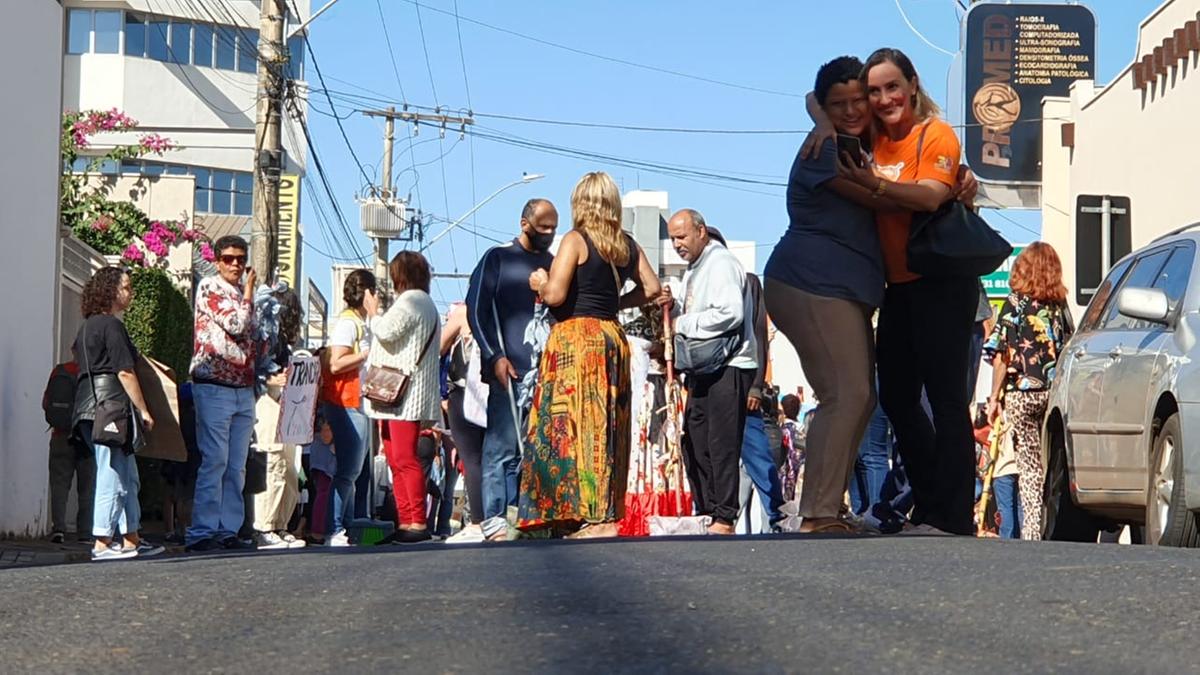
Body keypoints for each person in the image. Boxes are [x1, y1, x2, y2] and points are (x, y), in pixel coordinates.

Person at [812, 48, 978, 535]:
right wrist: (823, 122)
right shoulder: (873, 139)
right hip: (898, 288)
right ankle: (928, 504)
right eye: (874, 91)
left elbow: (929, 195)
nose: (884, 99)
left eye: (892, 87)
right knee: (899, 400)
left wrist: (874, 186)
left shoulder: (936, 134)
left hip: (942, 284)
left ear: (911, 84)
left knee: (947, 401)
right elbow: (815, 94)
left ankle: (954, 516)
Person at [522, 171, 661, 537]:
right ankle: (602, 510)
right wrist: (618, 302)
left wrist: (539, 283)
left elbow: (554, 295)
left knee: (570, 425)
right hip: (611, 336)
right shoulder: (626, 245)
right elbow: (652, 288)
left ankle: (578, 512)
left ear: (580, 203)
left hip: (576, 339)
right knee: (606, 424)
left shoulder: (575, 240)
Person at [466, 198, 558, 536]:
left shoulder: (554, 264)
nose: (548, 234)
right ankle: (493, 517)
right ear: (524, 224)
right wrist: (494, 356)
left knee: (533, 452)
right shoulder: (498, 258)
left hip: (545, 375)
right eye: (543, 227)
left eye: (553, 228)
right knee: (501, 447)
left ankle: (524, 514)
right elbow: (476, 311)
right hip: (509, 370)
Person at [662, 208, 757, 536]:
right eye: (673, 238)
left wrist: (682, 323)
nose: (677, 244)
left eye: (682, 236)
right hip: (703, 368)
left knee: (721, 442)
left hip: (728, 365)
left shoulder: (720, 262)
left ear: (701, 231)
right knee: (695, 440)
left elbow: (730, 313)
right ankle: (708, 509)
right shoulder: (694, 269)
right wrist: (672, 308)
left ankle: (724, 516)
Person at [71, 267, 163, 561]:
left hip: (88, 406)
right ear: (110, 290)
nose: (130, 293)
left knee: (127, 473)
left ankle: (131, 537)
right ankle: (102, 540)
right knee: (112, 473)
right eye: (125, 287)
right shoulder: (112, 326)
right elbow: (124, 371)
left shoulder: (86, 327)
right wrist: (143, 409)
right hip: (110, 406)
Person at [985, 242, 1073, 541]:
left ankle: (1033, 532)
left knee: (1029, 464)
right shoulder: (1059, 306)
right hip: (1053, 392)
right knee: (1052, 464)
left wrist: (994, 397)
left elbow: (1001, 356)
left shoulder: (1014, 303)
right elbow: (1069, 344)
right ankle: (1051, 524)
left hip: (1022, 392)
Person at [186, 235, 261, 552]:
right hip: (214, 384)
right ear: (217, 260)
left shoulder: (243, 294)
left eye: (240, 259)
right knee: (215, 460)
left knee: (236, 465)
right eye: (229, 258)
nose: (235, 264)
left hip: (243, 387)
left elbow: (256, 335)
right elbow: (236, 323)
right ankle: (203, 530)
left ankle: (228, 528)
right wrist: (248, 293)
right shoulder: (210, 287)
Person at [365, 252, 443, 544]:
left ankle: (416, 521)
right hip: (400, 394)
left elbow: (386, 331)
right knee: (398, 458)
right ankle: (407, 519)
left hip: (401, 395)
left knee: (404, 458)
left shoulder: (411, 300)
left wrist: (374, 312)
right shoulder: (424, 302)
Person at [319, 269, 380, 547]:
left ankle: (342, 525)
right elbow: (335, 363)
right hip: (345, 401)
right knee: (348, 470)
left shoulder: (360, 322)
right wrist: (367, 354)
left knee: (353, 471)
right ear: (366, 293)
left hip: (359, 402)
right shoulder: (348, 324)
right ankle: (334, 528)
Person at [252, 289, 306, 549]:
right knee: (272, 463)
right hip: (268, 402)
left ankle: (280, 524)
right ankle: (265, 525)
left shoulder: (280, 341)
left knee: (287, 467)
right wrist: (269, 379)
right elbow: (255, 369)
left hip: (285, 404)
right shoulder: (265, 336)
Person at [736, 271, 785, 533]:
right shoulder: (695, 279)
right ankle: (721, 518)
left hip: (745, 388)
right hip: (716, 387)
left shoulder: (748, 282)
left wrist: (755, 386)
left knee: (757, 459)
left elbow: (758, 333)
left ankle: (776, 516)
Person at [441, 303, 488, 544]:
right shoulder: (502, 309)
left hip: (465, 390)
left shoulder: (464, 312)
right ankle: (499, 516)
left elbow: (439, 346)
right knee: (498, 457)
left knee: (472, 458)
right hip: (497, 389)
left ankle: (479, 521)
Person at [43, 356, 94, 544]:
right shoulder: (92, 374)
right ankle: (85, 532)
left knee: (59, 485)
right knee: (87, 487)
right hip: (85, 436)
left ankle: (58, 529)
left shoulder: (59, 372)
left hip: (60, 436)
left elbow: (45, 402)